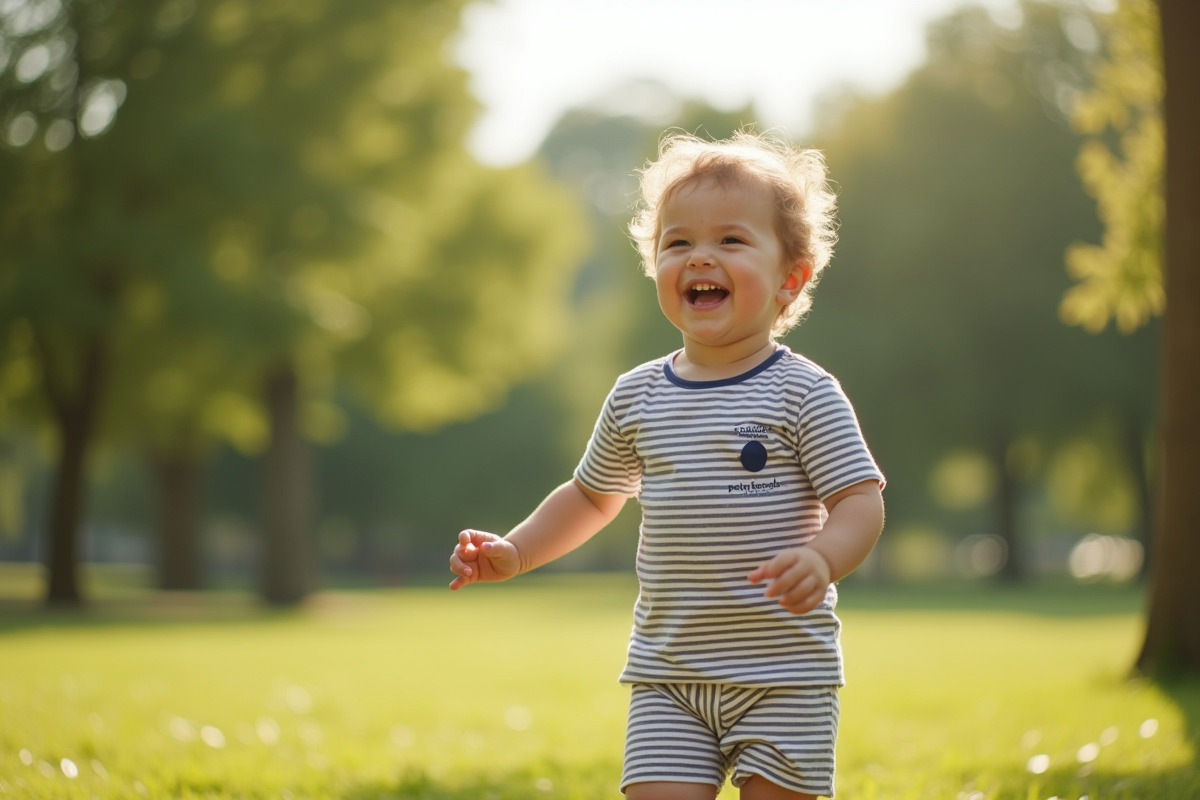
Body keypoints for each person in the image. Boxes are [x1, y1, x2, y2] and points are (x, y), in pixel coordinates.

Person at [448, 129, 885, 800]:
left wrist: (825, 558)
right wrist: (517, 550)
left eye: (731, 241)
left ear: (788, 279)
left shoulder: (804, 392)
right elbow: (592, 497)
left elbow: (860, 500)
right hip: (667, 675)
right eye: (677, 242)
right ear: (656, 267)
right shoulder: (637, 396)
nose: (699, 256)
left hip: (783, 673)